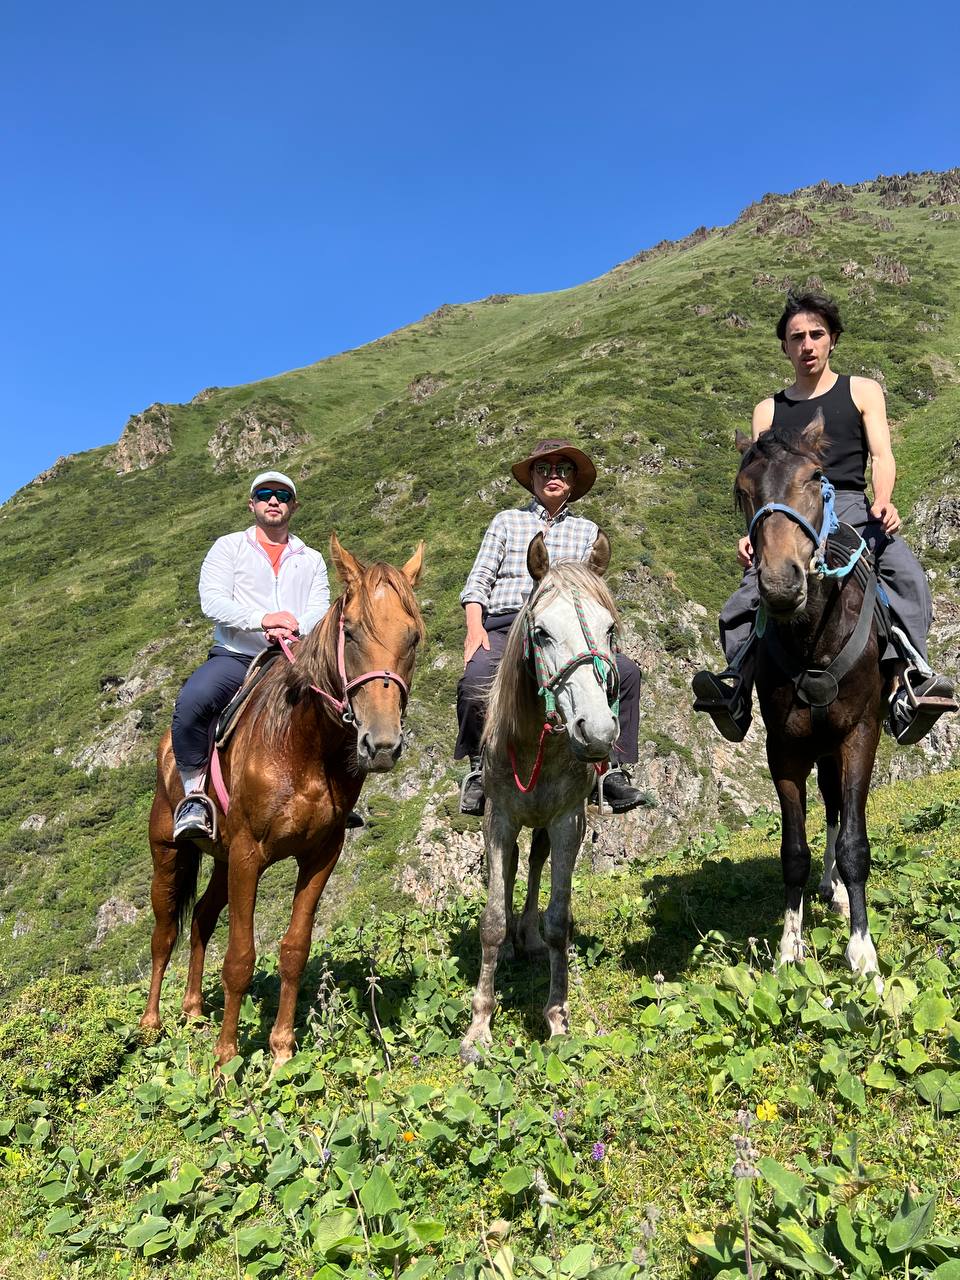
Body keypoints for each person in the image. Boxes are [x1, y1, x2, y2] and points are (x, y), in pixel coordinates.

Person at [693, 291, 956, 744]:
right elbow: (762, 480)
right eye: (797, 337)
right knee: (745, 596)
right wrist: (753, 533)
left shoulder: (861, 390)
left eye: (816, 334)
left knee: (907, 576)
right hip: (792, 514)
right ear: (785, 347)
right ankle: (737, 686)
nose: (807, 345)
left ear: (832, 339)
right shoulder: (768, 409)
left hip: (852, 505)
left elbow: (882, 454)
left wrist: (885, 499)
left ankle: (908, 682)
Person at [456, 439, 645, 815]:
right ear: (532, 479)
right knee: (474, 678)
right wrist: (474, 628)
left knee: (625, 674)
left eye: (563, 469)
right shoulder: (507, 522)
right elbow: (479, 580)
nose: (553, 475)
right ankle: (479, 769)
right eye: (544, 469)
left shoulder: (587, 530)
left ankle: (611, 772)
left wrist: (599, 641)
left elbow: (595, 591)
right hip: (508, 623)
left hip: (567, 630)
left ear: (573, 481)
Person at [170, 471, 333, 840]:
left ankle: (334, 798)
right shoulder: (228, 548)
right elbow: (212, 601)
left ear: (294, 506)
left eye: (281, 495)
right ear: (252, 504)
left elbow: (319, 609)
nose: (272, 500)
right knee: (192, 703)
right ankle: (194, 797)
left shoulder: (312, 559)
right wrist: (263, 621)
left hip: (294, 658)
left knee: (340, 709)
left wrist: (294, 629)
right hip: (237, 657)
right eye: (264, 495)